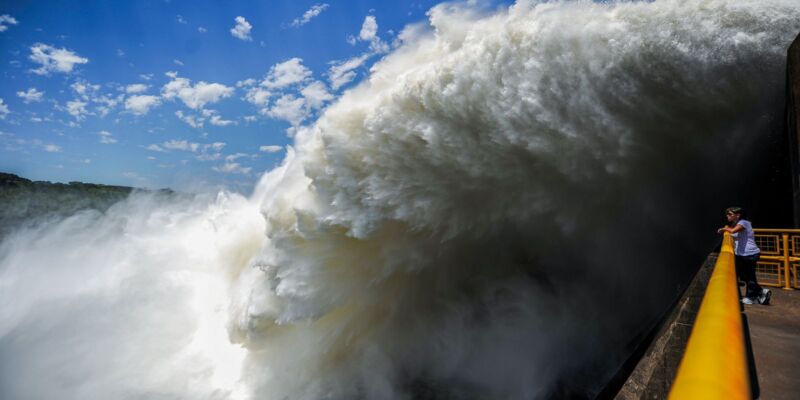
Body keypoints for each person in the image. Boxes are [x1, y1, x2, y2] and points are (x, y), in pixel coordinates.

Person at [717, 207, 771, 305]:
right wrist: (726, 231)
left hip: (750, 253)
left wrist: (724, 229)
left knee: (749, 276)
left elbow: (733, 231)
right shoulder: (738, 223)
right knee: (745, 276)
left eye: (730, 214)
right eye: (727, 214)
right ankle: (761, 292)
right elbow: (736, 235)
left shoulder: (744, 222)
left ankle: (750, 297)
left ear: (738, 215)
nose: (727, 216)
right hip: (743, 254)